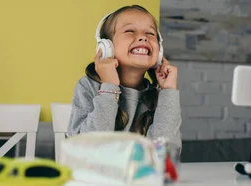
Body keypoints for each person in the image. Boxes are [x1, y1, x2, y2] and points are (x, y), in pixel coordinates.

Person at [67, 4, 182, 148]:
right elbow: (86, 148)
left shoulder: (160, 98)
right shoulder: (88, 87)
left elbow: (165, 151)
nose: (143, 37)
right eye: (130, 31)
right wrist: (109, 89)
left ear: (159, 52)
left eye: (150, 33)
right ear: (106, 47)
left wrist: (169, 91)